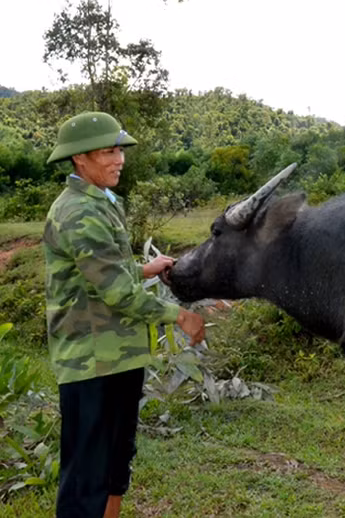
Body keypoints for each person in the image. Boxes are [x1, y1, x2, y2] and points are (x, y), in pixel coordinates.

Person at [43, 111, 206, 518]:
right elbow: (117, 293)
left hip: (118, 356)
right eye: (108, 152)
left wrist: (143, 269)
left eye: (120, 151)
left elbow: (103, 270)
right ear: (80, 158)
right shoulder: (78, 212)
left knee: (116, 465)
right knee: (86, 479)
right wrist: (179, 315)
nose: (120, 160)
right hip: (91, 362)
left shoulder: (101, 202)